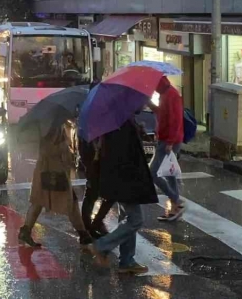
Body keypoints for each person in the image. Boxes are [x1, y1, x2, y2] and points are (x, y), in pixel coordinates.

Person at [87, 115, 158, 274]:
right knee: (136, 220)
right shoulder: (120, 123)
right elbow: (124, 154)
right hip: (125, 180)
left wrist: (137, 130)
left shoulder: (117, 121)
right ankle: (101, 246)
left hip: (122, 180)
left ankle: (126, 260)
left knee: (126, 217)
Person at [19, 121, 93, 248]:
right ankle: (83, 234)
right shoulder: (50, 126)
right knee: (69, 201)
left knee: (39, 202)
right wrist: (64, 146)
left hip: (49, 171)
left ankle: (83, 234)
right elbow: (47, 150)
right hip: (52, 172)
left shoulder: (54, 125)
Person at [149, 76, 184, 221]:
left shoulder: (172, 94)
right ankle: (175, 207)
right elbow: (161, 114)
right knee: (169, 175)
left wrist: (170, 142)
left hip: (169, 141)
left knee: (153, 173)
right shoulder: (164, 95)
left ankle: (176, 199)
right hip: (165, 139)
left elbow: (176, 120)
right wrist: (150, 104)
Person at [79, 134, 114, 238]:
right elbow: (86, 152)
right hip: (94, 161)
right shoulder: (89, 130)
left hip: (101, 161)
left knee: (109, 195)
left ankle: (96, 223)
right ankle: (89, 227)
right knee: (92, 195)